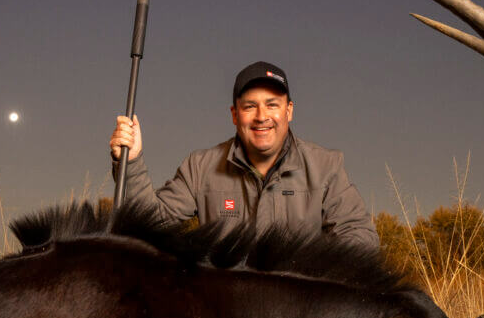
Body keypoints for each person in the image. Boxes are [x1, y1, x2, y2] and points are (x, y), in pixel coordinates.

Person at [109, 61, 379, 249]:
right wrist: (130, 162)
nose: (262, 117)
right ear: (235, 115)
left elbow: (360, 238)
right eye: (250, 107)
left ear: (289, 111)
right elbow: (151, 222)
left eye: (272, 105)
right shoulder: (200, 167)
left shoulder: (326, 166)